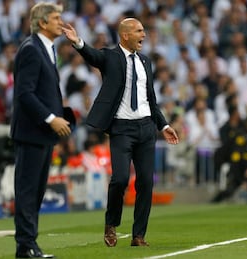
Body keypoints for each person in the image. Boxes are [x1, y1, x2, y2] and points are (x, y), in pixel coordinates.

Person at [63, 18, 179, 247]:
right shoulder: (111, 57)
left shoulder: (146, 61)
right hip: (122, 129)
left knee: (146, 181)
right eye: (139, 31)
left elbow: (151, 100)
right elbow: (93, 56)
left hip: (146, 127)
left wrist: (163, 125)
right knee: (120, 179)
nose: (143, 35)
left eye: (144, 30)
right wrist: (77, 42)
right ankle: (111, 222)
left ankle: (138, 236)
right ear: (125, 35)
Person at [10, 3, 73, 258]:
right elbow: (24, 93)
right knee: (27, 191)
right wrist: (50, 118)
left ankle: (28, 244)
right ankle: (26, 245)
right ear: (43, 23)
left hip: (41, 133)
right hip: (31, 132)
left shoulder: (45, 48)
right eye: (56, 18)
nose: (61, 21)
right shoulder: (31, 49)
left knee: (35, 191)